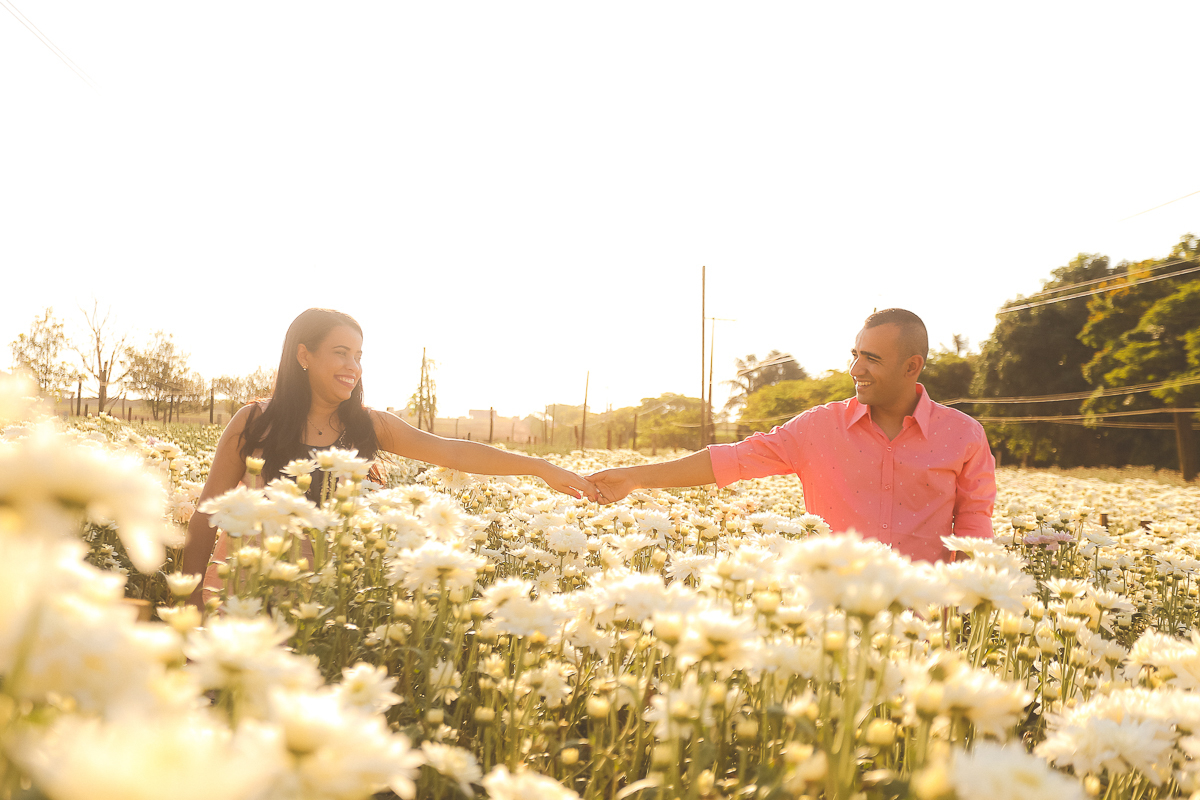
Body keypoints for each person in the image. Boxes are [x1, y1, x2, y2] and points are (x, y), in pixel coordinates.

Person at [181, 308, 598, 607]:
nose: (353, 366)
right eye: (341, 352)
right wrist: (192, 597)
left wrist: (539, 467)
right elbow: (206, 515)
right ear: (304, 355)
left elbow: (451, 451)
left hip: (320, 599)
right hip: (238, 592)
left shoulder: (367, 426)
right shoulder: (254, 422)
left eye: (359, 355)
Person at [587, 309, 996, 563]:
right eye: (855, 355)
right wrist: (637, 476)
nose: (856, 370)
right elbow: (733, 459)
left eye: (872, 359)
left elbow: (975, 529)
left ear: (912, 367)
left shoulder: (964, 436)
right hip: (830, 623)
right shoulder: (818, 428)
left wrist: (969, 612)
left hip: (923, 631)